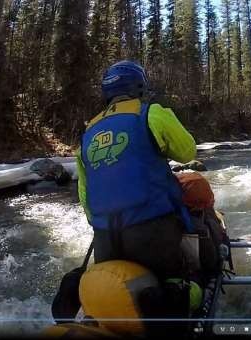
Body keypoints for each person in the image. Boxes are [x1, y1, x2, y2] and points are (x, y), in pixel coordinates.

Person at [76, 60, 197, 282]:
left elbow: (84, 193)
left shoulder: (88, 131)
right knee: (176, 290)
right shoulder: (152, 113)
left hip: (105, 240)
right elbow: (188, 152)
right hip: (152, 232)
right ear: (139, 87)